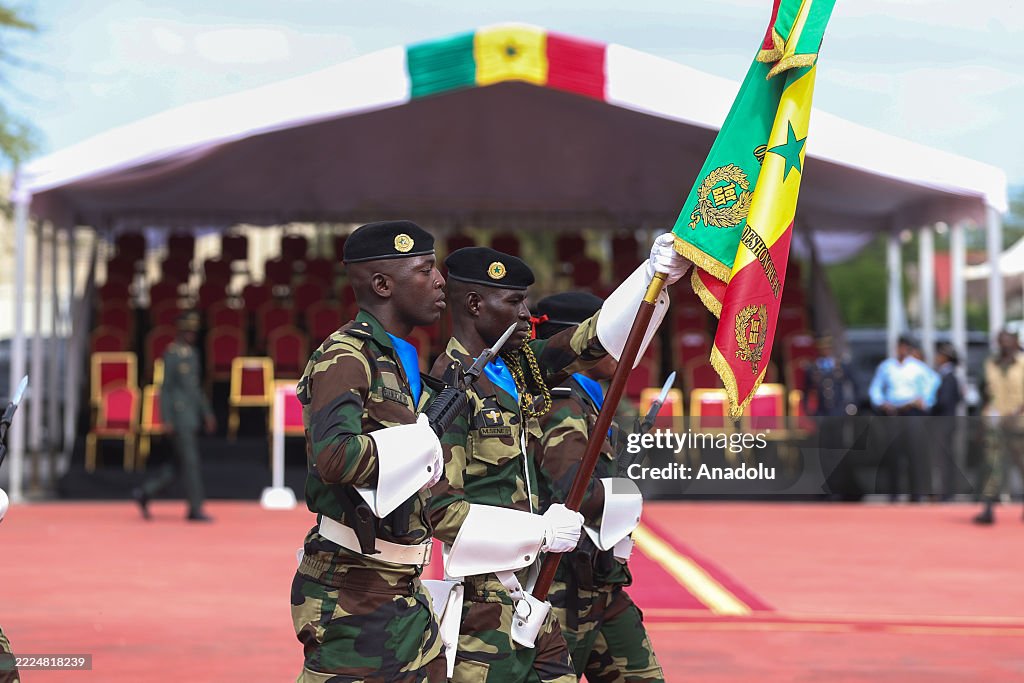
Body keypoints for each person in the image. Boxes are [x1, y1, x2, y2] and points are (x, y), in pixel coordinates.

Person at [428, 236, 688, 682]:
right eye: (514, 302)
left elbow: (591, 341)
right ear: (474, 304)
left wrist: (653, 278)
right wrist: (540, 529)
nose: (528, 315)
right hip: (485, 599)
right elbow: (439, 511)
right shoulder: (450, 387)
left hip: (536, 591)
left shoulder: (518, 370)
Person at [290, 220, 449, 682]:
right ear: (382, 284)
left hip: (403, 585)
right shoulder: (347, 355)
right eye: (425, 270)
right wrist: (419, 444)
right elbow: (334, 457)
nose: (439, 281)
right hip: (352, 588)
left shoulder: (403, 359)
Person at [530, 291, 665, 683]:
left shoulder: (591, 404)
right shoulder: (563, 405)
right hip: (562, 592)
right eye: (614, 336)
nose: (625, 348)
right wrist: (625, 496)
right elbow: (575, 492)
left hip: (600, 585)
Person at [133, 311, 216, 521]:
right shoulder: (172, 355)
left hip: (191, 415)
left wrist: (206, 413)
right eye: (188, 331)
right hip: (179, 416)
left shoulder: (192, 354)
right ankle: (195, 508)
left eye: (193, 331)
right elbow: (166, 389)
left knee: (179, 465)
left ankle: (145, 492)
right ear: (181, 332)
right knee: (191, 463)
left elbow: (196, 388)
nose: (191, 335)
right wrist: (166, 418)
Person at [868, 335, 940, 501]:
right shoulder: (887, 367)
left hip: (912, 411)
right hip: (894, 412)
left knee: (914, 452)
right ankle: (894, 493)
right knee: (893, 453)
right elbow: (875, 388)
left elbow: (934, 381)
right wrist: (881, 402)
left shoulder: (917, 367)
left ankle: (916, 493)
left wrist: (925, 400)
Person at [974, 330, 1024, 524]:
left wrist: (1016, 412)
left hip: (1019, 424)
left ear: (1016, 342)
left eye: (1008, 341)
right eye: (1001, 341)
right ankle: (988, 508)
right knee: (992, 465)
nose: (1005, 344)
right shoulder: (990, 364)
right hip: (994, 422)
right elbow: (984, 392)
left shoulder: (1022, 364)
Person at [932, 342, 962, 501]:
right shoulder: (949, 376)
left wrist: (930, 406)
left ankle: (946, 492)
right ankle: (946, 491)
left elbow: (943, 401)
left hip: (943, 423)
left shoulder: (948, 377)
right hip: (948, 423)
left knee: (944, 458)